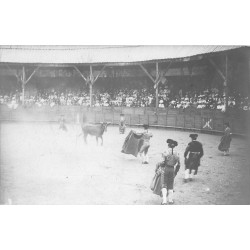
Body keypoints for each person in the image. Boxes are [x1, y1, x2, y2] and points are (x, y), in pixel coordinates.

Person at [152, 139, 180, 204]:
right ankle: (170, 200)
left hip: (166, 169)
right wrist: (175, 172)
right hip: (172, 169)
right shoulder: (177, 153)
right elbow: (179, 165)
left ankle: (164, 201)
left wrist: (158, 165)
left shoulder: (166, 152)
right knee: (170, 185)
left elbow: (163, 162)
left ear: (168, 145)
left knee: (164, 184)